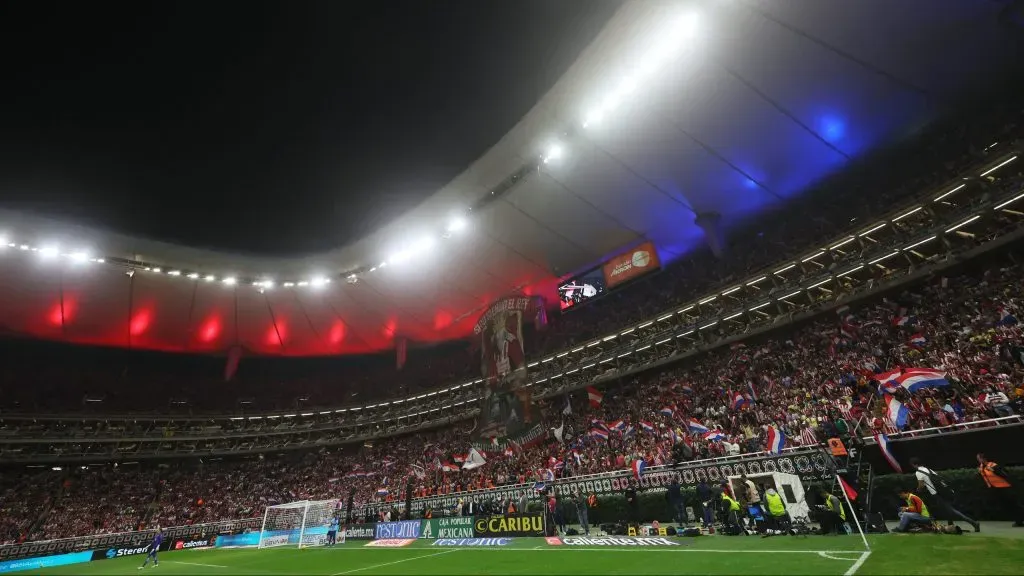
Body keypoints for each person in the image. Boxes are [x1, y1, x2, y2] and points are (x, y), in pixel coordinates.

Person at [910, 457, 980, 532]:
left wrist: (917, 490)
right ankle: (951, 526)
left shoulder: (918, 472)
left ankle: (974, 523)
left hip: (936, 494)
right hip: (943, 492)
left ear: (915, 465)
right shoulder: (927, 469)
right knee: (947, 510)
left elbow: (921, 485)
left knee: (952, 511)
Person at [977, 453, 1024, 527]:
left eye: (979, 458)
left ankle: (1020, 520)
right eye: (978, 459)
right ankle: (1018, 521)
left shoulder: (993, 465)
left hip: (1005, 487)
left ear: (984, 458)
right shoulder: (981, 468)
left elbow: (1005, 474)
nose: (978, 460)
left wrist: (993, 470)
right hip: (996, 489)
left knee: (1015, 505)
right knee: (1007, 506)